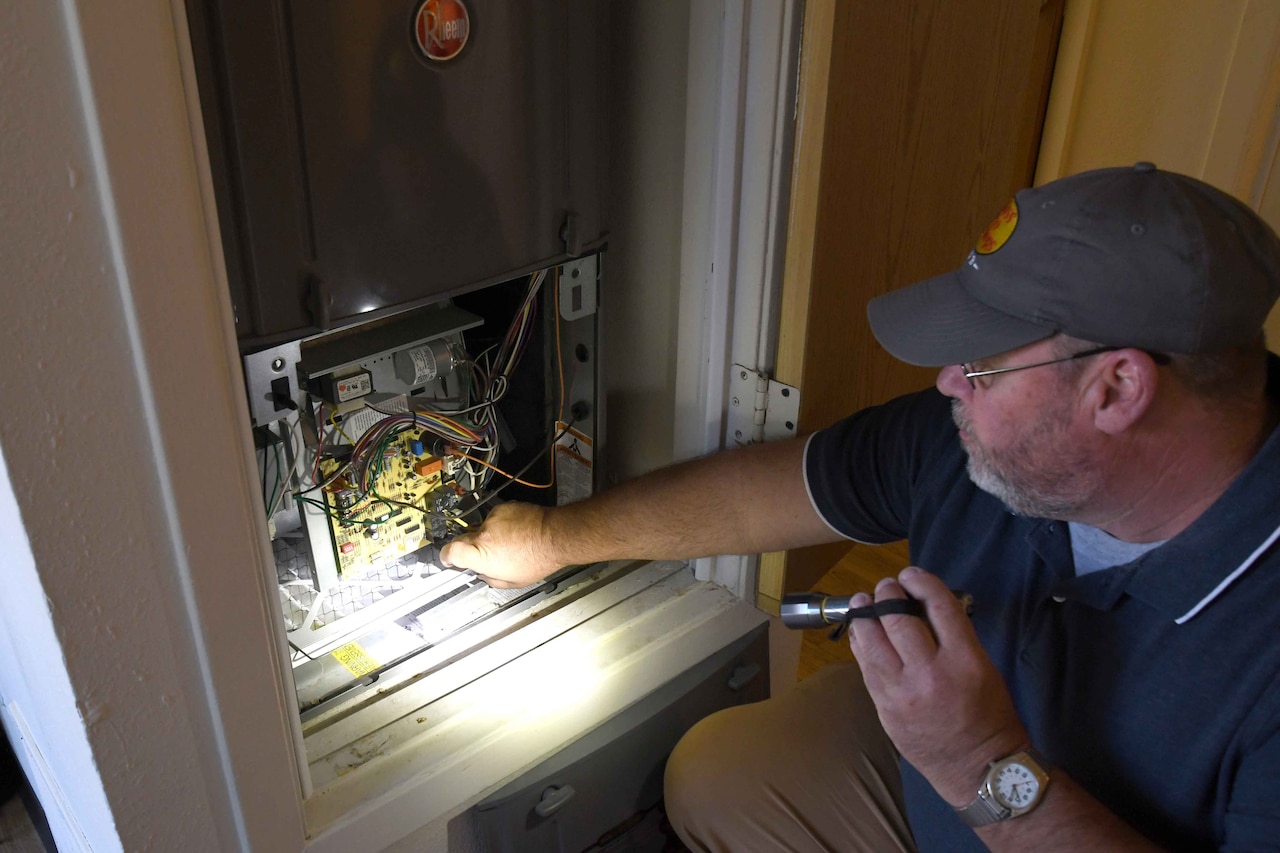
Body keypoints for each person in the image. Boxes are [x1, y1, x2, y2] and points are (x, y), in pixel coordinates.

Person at [441, 163, 1280, 850]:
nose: (947, 382)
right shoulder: (988, 442)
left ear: (1119, 386)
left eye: (981, 365)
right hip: (972, 772)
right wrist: (552, 537)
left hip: (1022, 800)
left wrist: (977, 760)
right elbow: (766, 492)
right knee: (723, 772)